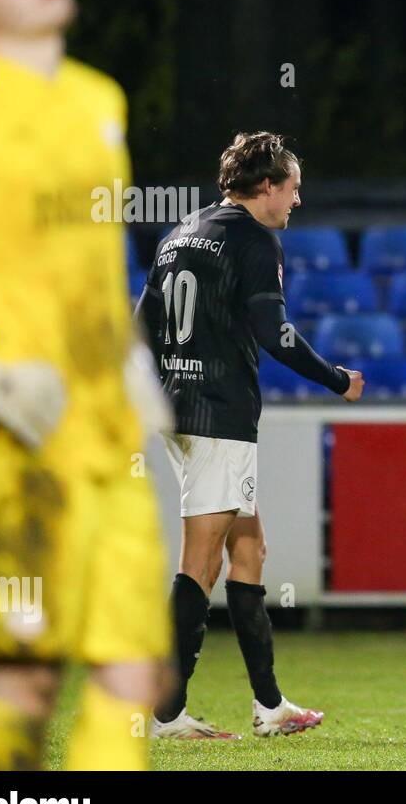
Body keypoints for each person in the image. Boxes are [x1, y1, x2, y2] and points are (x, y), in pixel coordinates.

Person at [0, 0, 171, 769]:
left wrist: (131, 363)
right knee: (26, 681)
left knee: (131, 672)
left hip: (106, 435)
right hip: (12, 441)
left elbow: (89, 258)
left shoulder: (95, 98)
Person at [138, 131, 364, 739]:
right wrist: (336, 378)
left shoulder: (180, 233)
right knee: (200, 561)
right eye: (292, 188)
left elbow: (143, 323)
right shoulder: (252, 240)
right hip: (217, 413)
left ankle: (270, 707)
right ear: (265, 186)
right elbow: (276, 333)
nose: (296, 200)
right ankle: (163, 713)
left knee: (250, 550)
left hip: (177, 406)